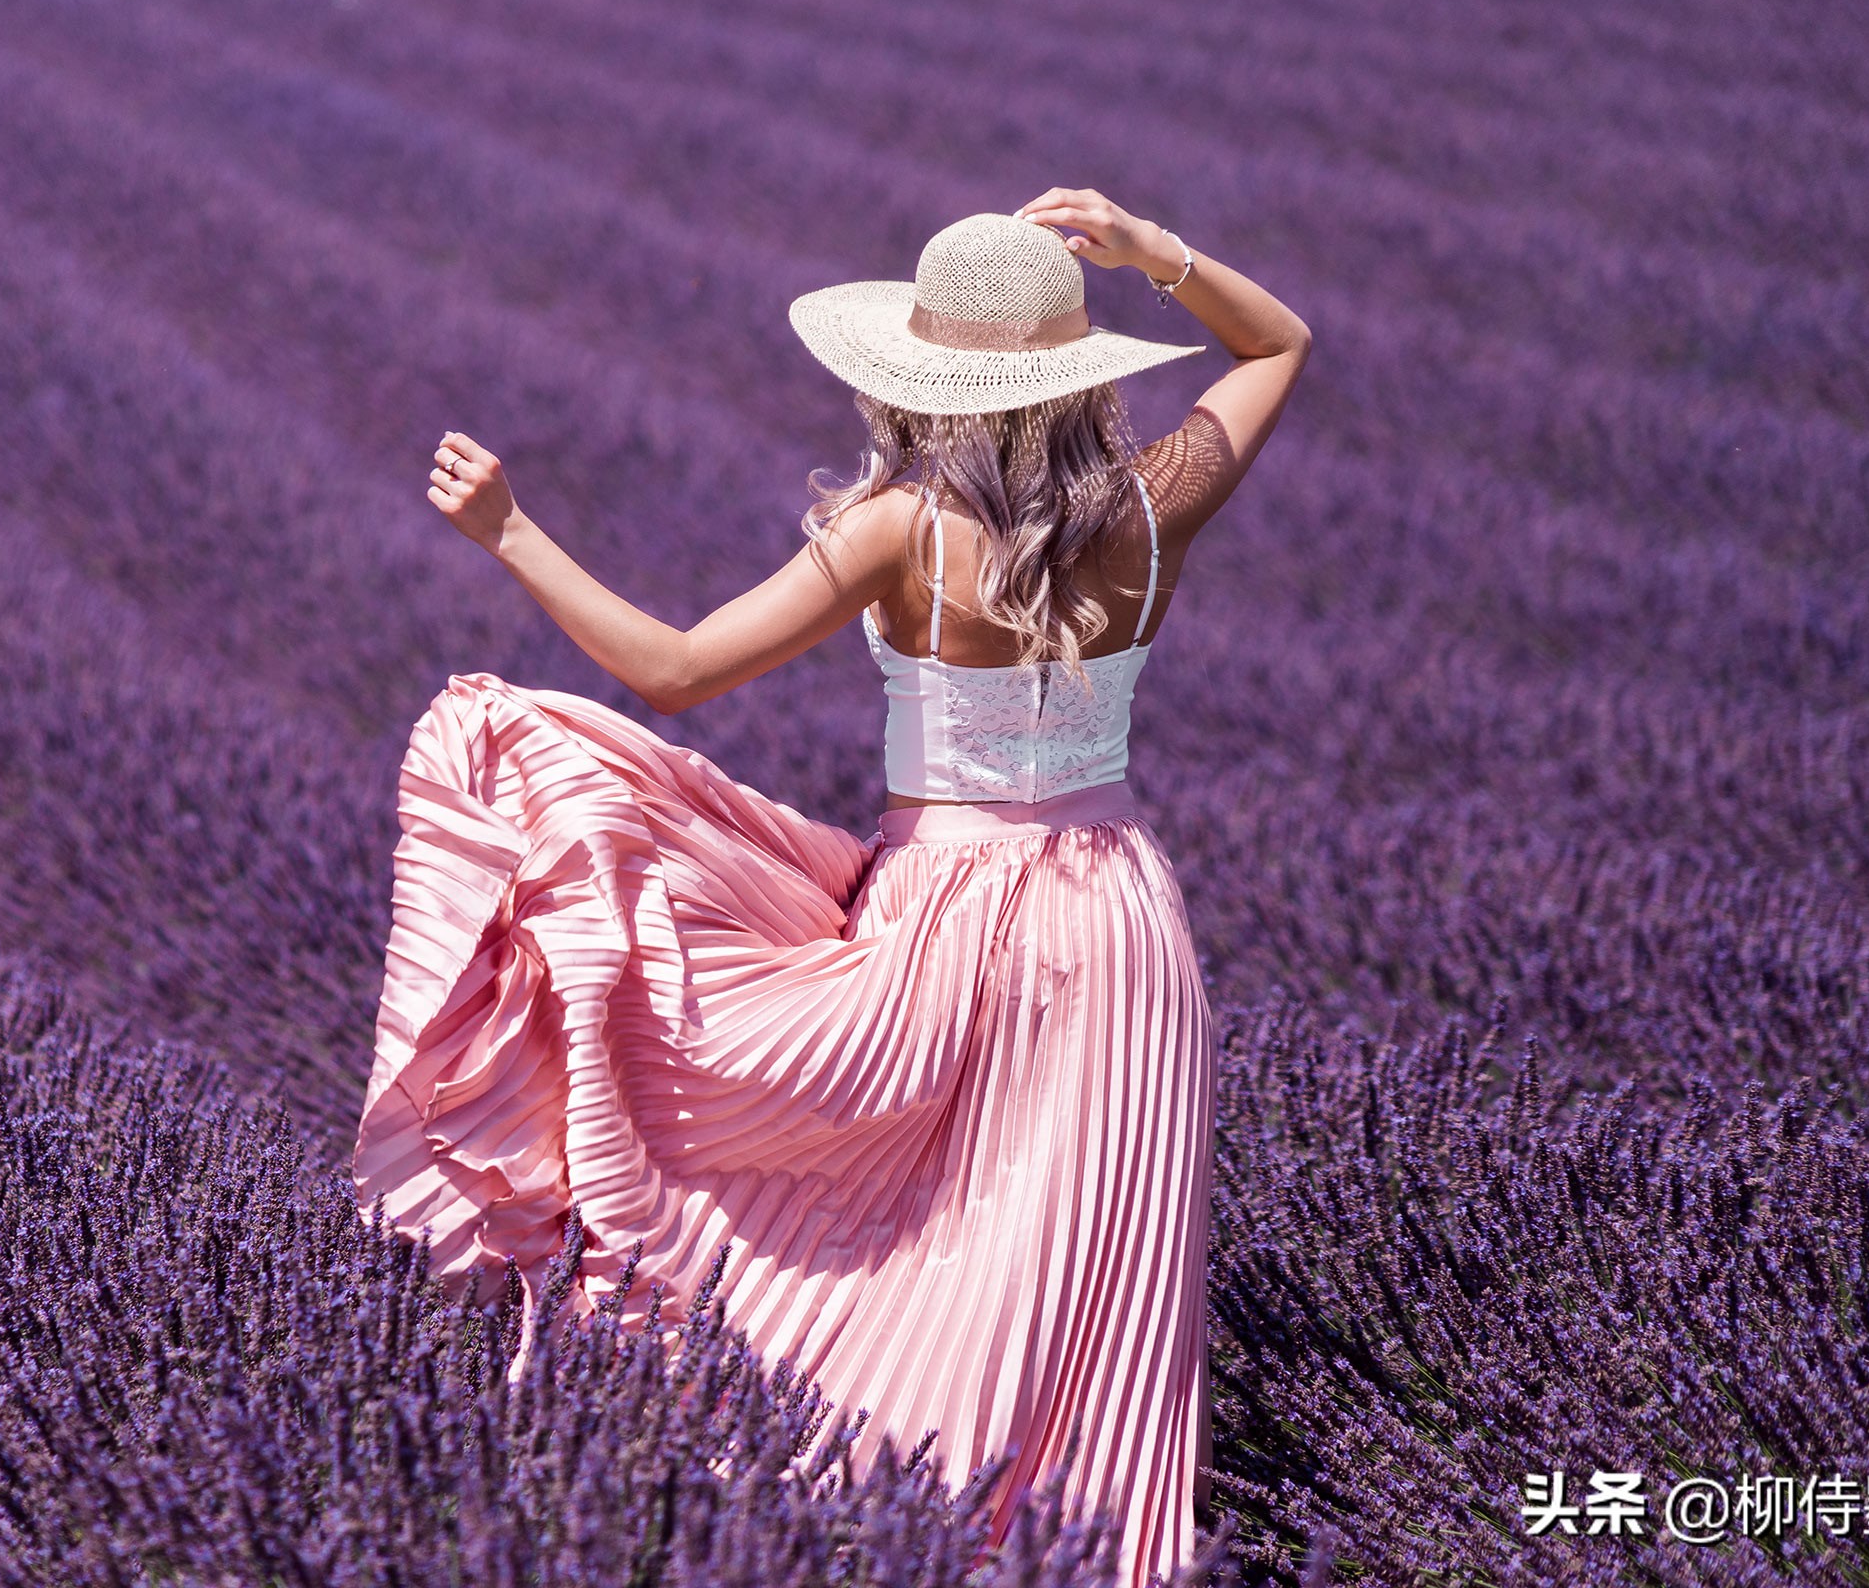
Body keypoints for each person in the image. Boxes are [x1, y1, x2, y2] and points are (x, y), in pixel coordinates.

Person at [353, 188, 1309, 1581]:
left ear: (922, 378)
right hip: (1118, 927)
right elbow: (1279, 348)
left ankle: (868, 1519)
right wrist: (1149, 246)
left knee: (914, 1235)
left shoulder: (904, 530)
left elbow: (675, 670)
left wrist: (511, 531)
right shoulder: (1153, 507)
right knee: (1085, 1278)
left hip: (947, 915)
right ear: (1073, 372)